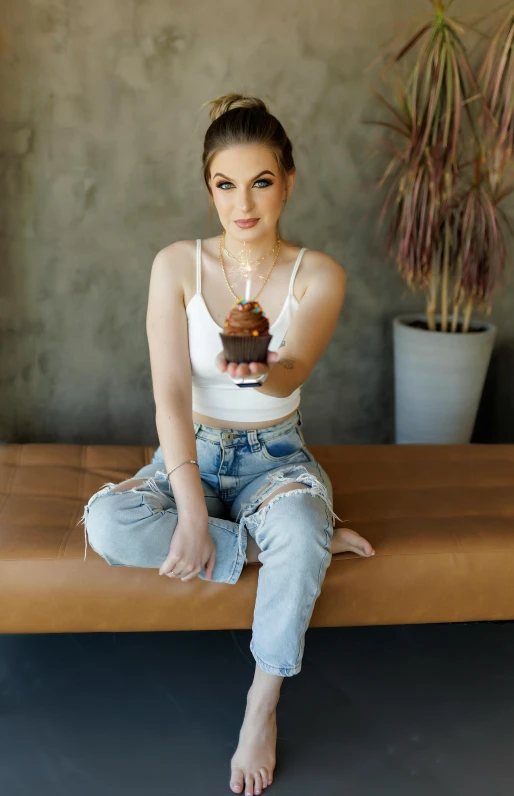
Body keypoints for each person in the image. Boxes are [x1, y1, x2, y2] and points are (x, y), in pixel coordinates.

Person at [79, 93, 375, 796]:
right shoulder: (176, 265)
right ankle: (292, 546)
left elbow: (293, 371)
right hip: (190, 452)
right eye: (225, 184)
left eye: (261, 182)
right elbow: (171, 396)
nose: (243, 203)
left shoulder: (318, 275)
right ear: (208, 186)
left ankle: (261, 706)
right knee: (105, 522)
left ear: (289, 181)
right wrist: (187, 509)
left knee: (297, 523)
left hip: (275, 457)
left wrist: (265, 373)